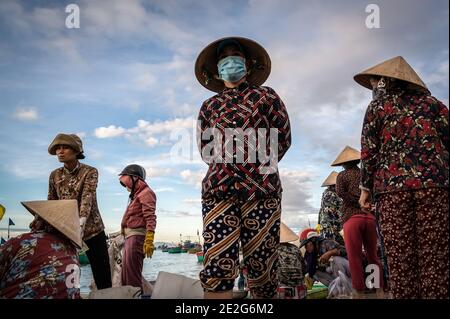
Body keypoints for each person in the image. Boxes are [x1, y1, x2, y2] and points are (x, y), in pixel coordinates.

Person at [195, 37, 291, 299]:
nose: (230, 59)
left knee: (262, 266)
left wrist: (255, 166)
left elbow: (282, 138)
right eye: (224, 57)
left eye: (236, 55)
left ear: (248, 65)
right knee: (216, 265)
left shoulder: (266, 96)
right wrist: (229, 165)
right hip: (218, 191)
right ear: (217, 69)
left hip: (262, 191)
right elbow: (206, 150)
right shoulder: (209, 106)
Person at [356, 56, 449, 299]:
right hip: (434, 188)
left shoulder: (377, 108)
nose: (374, 87)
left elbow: (369, 152)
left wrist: (365, 189)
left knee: (400, 260)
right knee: (435, 258)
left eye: (375, 82)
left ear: (385, 82)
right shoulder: (433, 105)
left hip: (391, 191)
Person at [46, 133, 111, 289]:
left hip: (92, 231)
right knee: (67, 275)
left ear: (76, 151)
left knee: (103, 278)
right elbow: (51, 203)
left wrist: (81, 222)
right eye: (57, 148)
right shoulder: (54, 175)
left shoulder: (90, 171)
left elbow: (87, 198)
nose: (60, 151)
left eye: (65, 147)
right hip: (66, 232)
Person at [0, 200, 82, 299]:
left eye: (36, 219)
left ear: (44, 223)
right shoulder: (74, 254)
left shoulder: (22, 241)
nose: (31, 224)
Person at [119, 164, 157, 291]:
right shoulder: (136, 195)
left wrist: (149, 239)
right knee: (125, 277)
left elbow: (150, 217)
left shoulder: (147, 193)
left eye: (127, 183)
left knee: (132, 277)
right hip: (130, 237)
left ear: (135, 179)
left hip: (136, 238)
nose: (126, 188)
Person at [277, 222, 307, 299]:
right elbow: (304, 268)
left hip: (282, 288)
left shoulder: (272, 250)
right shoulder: (295, 248)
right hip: (299, 287)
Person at [318, 171, 343, 244]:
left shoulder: (326, 193)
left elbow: (321, 212)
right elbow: (332, 211)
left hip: (327, 227)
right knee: (334, 248)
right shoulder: (330, 194)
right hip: (331, 227)